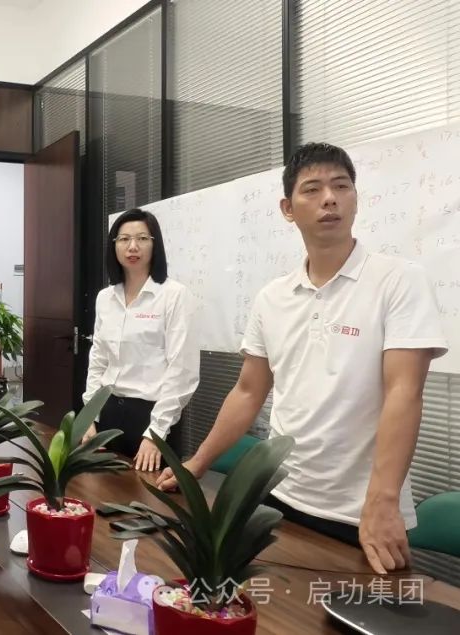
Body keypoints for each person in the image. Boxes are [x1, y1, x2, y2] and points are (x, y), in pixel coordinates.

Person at [157, 142, 448, 575]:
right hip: (278, 494)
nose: (329, 198)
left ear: (356, 199)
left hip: (361, 512)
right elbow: (248, 391)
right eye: (312, 189)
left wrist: (384, 501)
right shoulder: (272, 297)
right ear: (288, 209)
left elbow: (404, 392)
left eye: (341, 186)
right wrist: (198, 461)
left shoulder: (399, 281)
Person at [80, 209, 200, 471]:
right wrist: (89, 415)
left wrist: (155, 433)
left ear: (155, 244)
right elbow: (98, 361)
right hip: (108, 413)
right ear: (114, 246)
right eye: (124, 239)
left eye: (142, 238)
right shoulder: (105, 298)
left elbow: (182, 372)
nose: (132, 246)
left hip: (153, 417)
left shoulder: (174, 296)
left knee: (148, 493)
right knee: (100, 488)